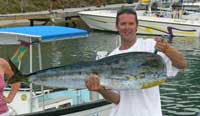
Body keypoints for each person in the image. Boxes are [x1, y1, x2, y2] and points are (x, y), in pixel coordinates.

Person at [85, 8, 187, 116]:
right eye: (123, 24)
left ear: (137, 26)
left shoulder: (151, 47)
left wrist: (167, 49)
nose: (127, 27)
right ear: (117, 26)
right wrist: (101, 90)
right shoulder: (111, 58)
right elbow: (117, 99)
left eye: (131, 23)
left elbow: (182, 64)